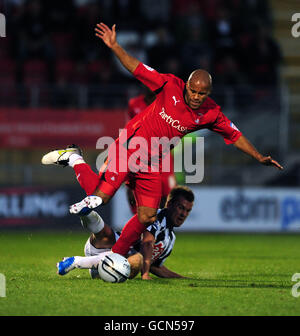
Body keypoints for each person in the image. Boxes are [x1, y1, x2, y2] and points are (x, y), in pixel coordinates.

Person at [42, 21, 283, 260]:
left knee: (147, 215)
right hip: (131, 147)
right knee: (100, 198)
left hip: (154, 161)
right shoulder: (168, 85)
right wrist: (115, 47)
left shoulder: (211, 113)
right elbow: (136, 67)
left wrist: (259, 156)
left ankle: (114, 256)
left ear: (208, 93)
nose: (197, 97)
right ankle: (74, 158)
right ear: (187, 85)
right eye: (193, 91)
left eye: (202, 93)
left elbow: (235, 135)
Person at [57, 185, 194, 280]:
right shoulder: (155, 216)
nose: (183, 214)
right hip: (110, 250)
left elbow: (156, 267)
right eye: (180, 208)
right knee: (124, 248)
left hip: (108, 262)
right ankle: (85, 214)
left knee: (118, 243)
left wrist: (180, 278)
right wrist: (144, 274)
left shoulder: (170, 239)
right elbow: (147, 242)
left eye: (187, 210)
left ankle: (86, 216)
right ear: (169, 204)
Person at [126, 87, 176, 213]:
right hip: (140, 155)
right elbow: (130, 129)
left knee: (170, 195)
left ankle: (163, 227)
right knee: (132, 191)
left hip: (162, 156)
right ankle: (138, 224)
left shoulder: (168, 105)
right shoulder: (134, 104)